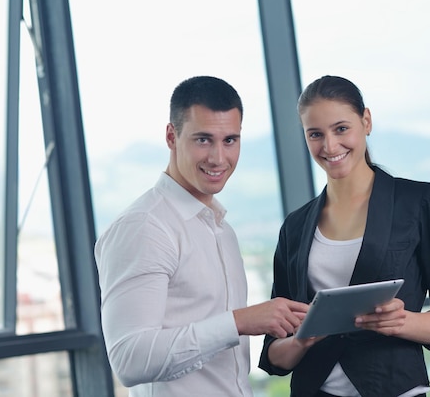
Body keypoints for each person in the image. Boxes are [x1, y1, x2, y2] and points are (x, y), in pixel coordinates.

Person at [94, 75, 309, 397]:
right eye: (203, 139)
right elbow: (129, 361)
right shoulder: (144, 227)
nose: (218, 158)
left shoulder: (221, 229)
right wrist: (238, 322)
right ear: (171, 135)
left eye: (230, 140)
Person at [258, 75, 430, 397]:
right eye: (315, 134)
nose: (329, 146)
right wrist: (301, 340)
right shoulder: (296, 226)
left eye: (341, 128)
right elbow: (274, 353)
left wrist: (402, 322)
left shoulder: (419, 202)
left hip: (393, 388)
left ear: (366, 121)